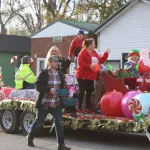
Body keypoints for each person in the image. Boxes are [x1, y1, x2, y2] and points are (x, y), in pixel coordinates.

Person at [27, 55, 71, 150]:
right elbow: (37, 87)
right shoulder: (43, 73)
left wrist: (66, 93)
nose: (57, 63)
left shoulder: (60, 74)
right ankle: (30, 137)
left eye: (58, 62)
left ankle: (61, 145)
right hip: (45, 103)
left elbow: (63, 87)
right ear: (49, 63)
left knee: (59, 122)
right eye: (55, 61)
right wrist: (49, 90)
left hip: (56, 103)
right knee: (39, 122)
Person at [76, 38, 110, 114]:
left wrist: (106, 54)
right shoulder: (83, 52)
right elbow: (80, 63)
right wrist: (89, 66)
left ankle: (88, 108)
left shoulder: (94, 52)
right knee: (82, 92)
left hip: (91, 76)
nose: (95, 44)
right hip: (82, 75)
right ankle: (79, 109)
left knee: (89, 92)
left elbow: (100, 61)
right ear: (90, 44)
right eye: (94, 43)